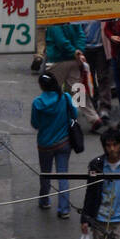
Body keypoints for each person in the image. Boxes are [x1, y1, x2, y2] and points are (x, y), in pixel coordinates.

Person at [30, 71, 78, 218]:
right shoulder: (65, 97)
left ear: (42, 86)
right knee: (63, 174)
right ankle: (64, 209)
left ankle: (44, 200)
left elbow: (35, 123)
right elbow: (74, 115)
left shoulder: (37, 103)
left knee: (45, 174)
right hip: (63, 142)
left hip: (45, 144)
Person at [44, 21, 105, 133]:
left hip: (58, 60)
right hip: (74, 60)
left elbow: (60, 41)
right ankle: (93, 118)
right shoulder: (73, 18)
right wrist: (78, 52)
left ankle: (52, 120)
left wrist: (74, 52)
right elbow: (81, 35)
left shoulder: (53, 19)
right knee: (78, 91)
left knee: (51, 90)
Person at [83, 20, 113, 121]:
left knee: (103, 77)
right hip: (85, 46)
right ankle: (92, 103)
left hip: (101, 46)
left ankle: (104, 107)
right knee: (88, 78)